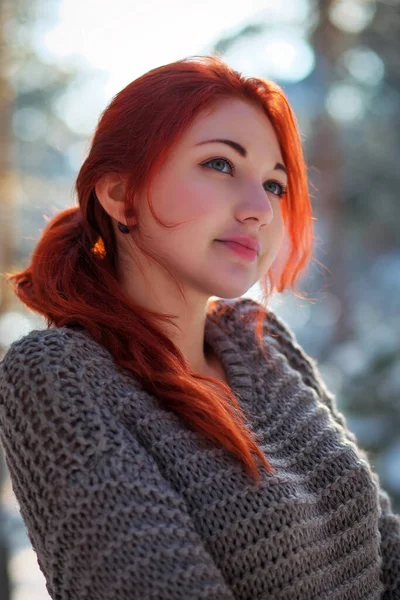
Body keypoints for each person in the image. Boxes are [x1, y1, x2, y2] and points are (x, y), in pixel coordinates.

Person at [0, 54, 399, 600]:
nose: (259, 208)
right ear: (120, 194)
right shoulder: (56, 376)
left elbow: (384, 543)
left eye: (275, 185)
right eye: (219, 164)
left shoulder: (259, 340)